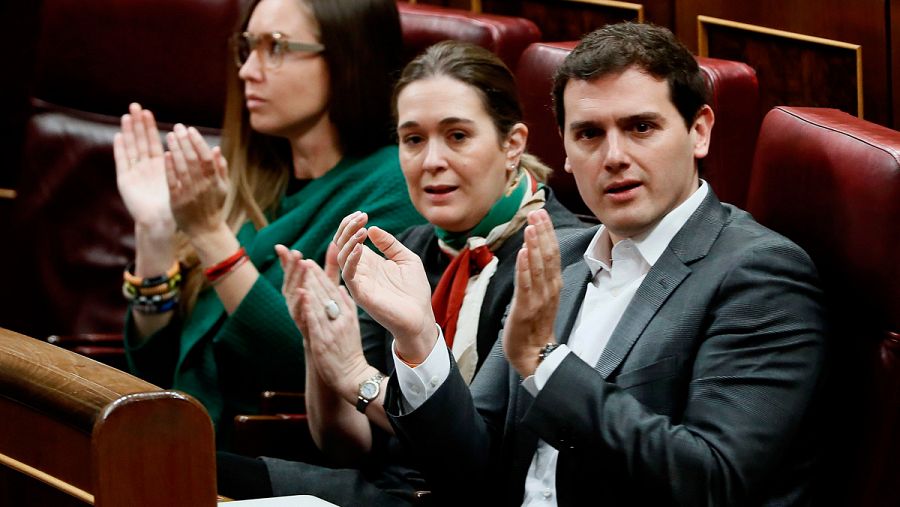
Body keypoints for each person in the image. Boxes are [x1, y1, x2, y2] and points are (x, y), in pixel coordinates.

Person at [335, 23, 828, 506]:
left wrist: (545, 363)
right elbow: (470, 468)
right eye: (589, 133)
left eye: (641, 127)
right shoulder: (563, 259)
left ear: (699, 131)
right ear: (565, 151)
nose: (614, 156)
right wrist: (419, 340)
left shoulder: (761, 273)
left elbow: (710, 481)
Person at [217, 41, 584, 506]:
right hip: (377, 488)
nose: (431, 161)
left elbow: (481, 447)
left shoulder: (557, 255)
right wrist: (323, 347)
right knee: (178, 469)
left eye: (457, 136)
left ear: (512, 144)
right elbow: (344, 445)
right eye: (413, 139)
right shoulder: (408, 247)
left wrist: (359, 378)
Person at [114, 0, 424, 447]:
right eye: (247, 47)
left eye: (275, 47)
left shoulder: (393, 186)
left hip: (268, 463)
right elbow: (154, 370)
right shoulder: (255, 176)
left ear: (347, 57)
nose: (247, 71)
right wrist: (155, 232)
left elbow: (306, 362)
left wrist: (208, 234)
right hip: (173, 436)